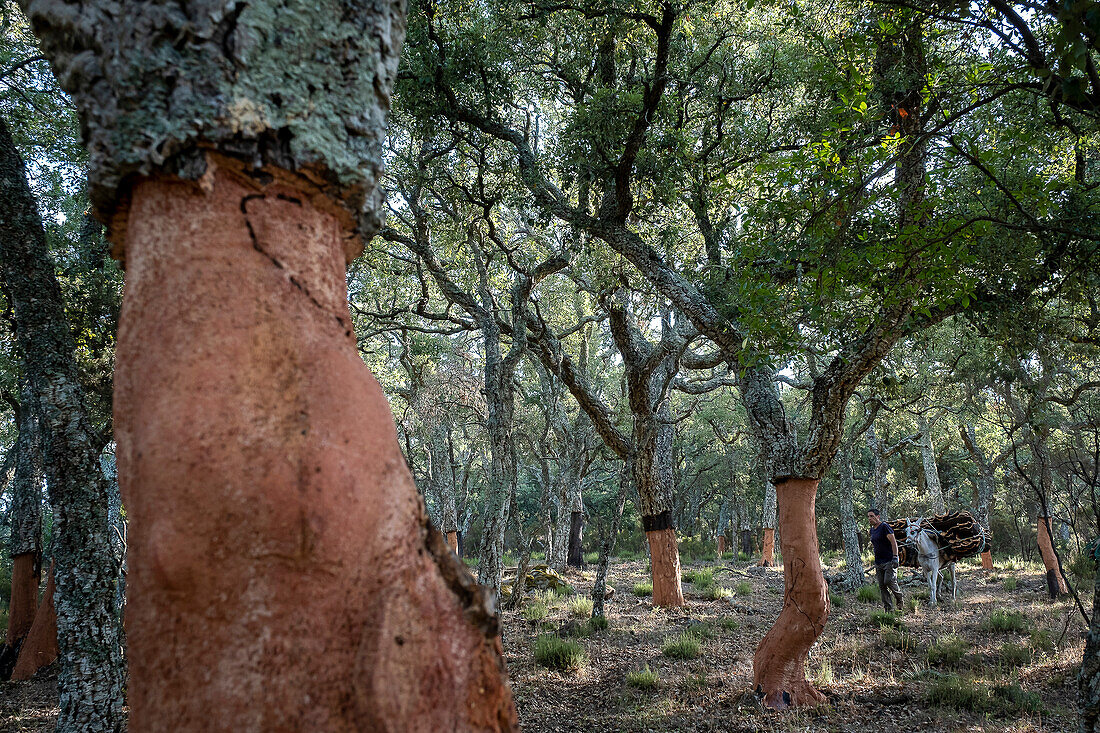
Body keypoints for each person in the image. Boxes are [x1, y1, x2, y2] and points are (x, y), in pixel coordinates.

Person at [867, 509, 903, 611]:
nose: (870, 518)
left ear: (878, 516)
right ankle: (888, 608)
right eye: (868, 516)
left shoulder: (884, 527)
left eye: (872, 516)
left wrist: (895, 557)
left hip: (889, 560)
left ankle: (899, 598)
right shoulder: (872, 530)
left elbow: (893, 542)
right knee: (882, 586)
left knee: (889, 581)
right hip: (878, 562)